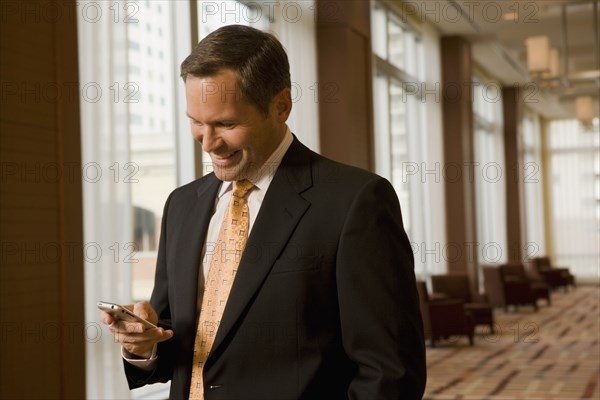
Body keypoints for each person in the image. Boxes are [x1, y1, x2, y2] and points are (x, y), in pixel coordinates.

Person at [101, 24, 426, 399]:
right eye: (195, 122)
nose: (208, 143)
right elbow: (182, 338)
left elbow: (390, 372)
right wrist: (144, 345)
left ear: (281, 106)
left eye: (225, 124)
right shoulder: (181, 205)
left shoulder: (357, 202)